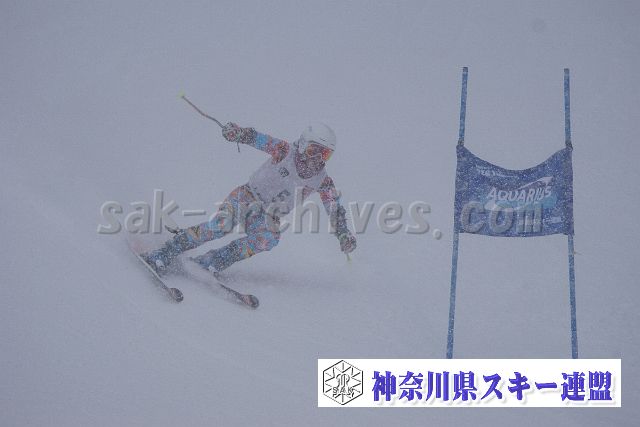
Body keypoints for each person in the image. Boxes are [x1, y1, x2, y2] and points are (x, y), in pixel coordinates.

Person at [142, 121, 357, 275]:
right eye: (313, 151)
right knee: (222, 225)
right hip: (247, 196)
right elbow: (259, 139)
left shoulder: (322, 181)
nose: (316, 159)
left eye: (324, 154)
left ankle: (211, 261)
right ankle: (166, 251)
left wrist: (343, 234)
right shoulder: (285, 151)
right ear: (302, 144)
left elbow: (334, 208)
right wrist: (238, 134)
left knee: (268, 238)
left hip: (268, 215)